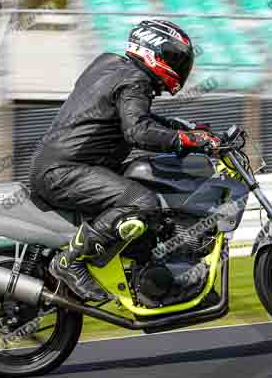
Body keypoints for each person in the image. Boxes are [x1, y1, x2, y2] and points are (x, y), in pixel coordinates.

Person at [30, 20, 219, 301]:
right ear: (154, 53)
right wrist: (187, 140)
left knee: (148, 194)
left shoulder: (110, 65)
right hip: (65, 170)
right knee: (141, 202)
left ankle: (155, 282)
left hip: (67, 165)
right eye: (174, 58)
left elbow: (138, 118)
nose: (179, 66)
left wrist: (186, 130)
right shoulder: (135, 80)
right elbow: (138, 131)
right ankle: (70, 262)